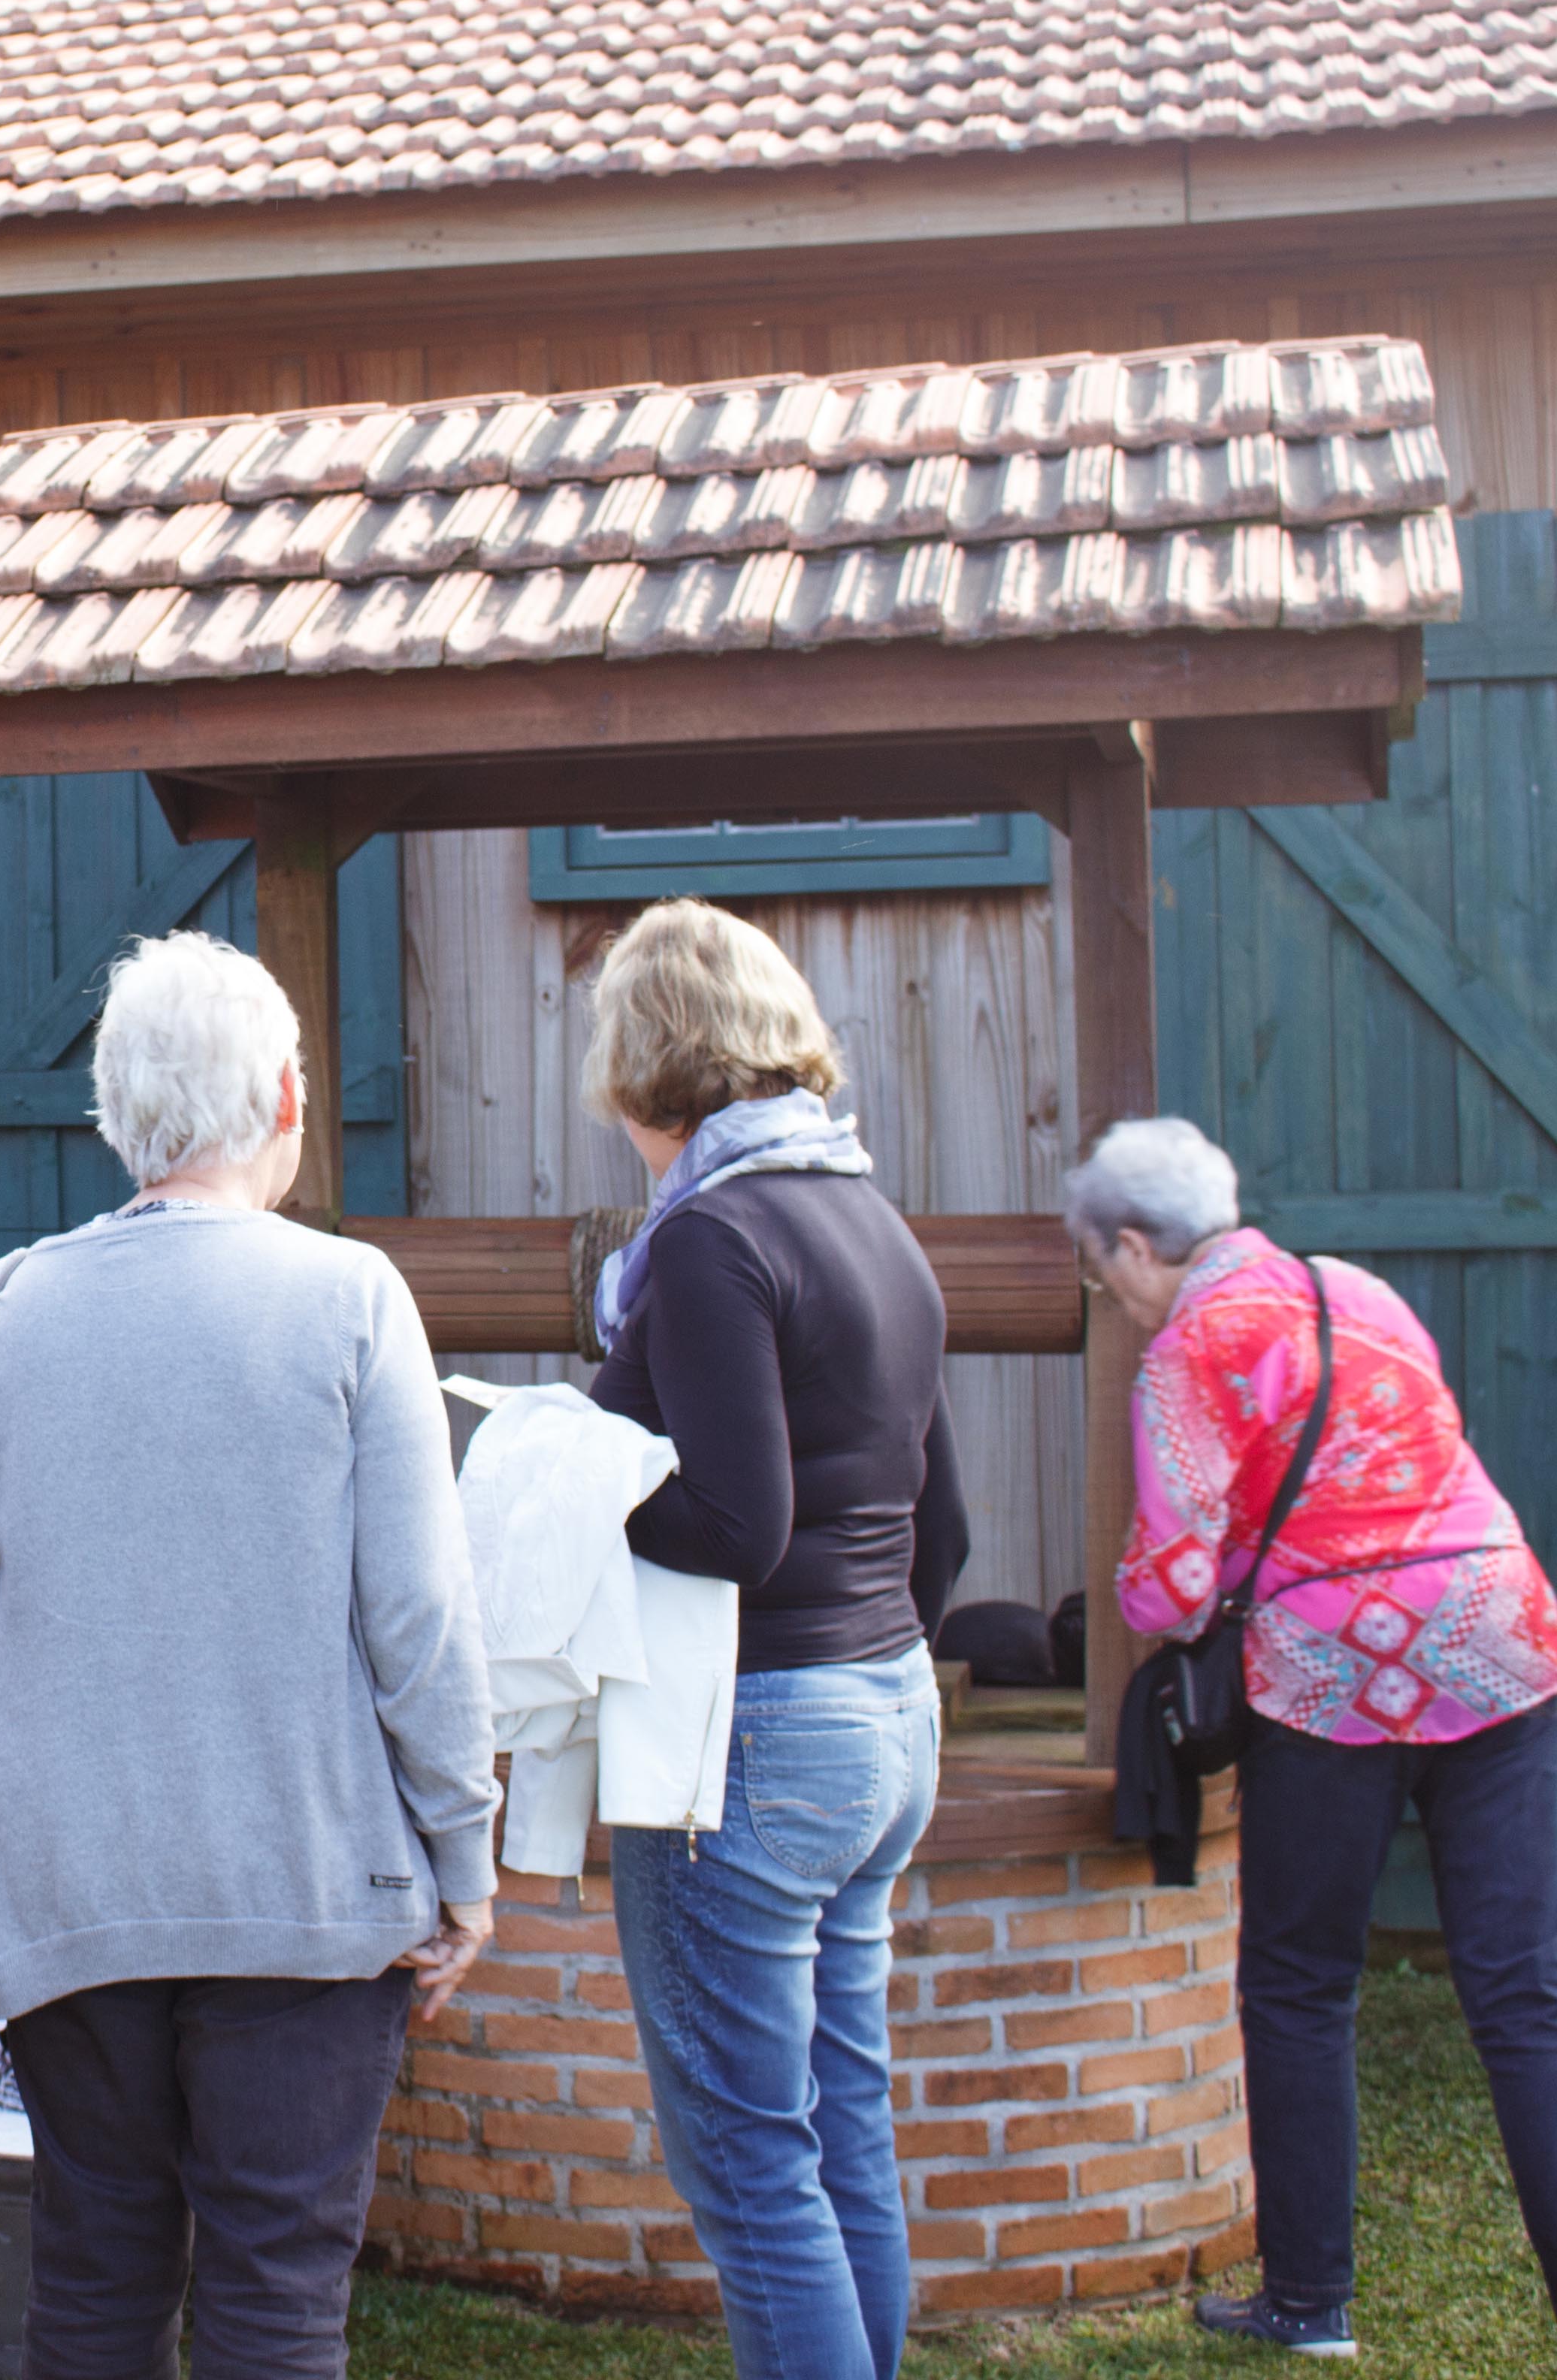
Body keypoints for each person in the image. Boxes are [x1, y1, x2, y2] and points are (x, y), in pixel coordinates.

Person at [0, 929, 496, 2380]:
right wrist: (464, 1854)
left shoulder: (3, 1307)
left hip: (67, 1880)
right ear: (287, 1101)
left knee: (94, 2275)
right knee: (276, 2292)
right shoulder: (352, 1300)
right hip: (299, 1875)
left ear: (114, 1112)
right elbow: (416, 1619)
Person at [1074, 1116, 1557, 2380]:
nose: (1106, 1297)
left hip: (1333, 1677)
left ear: (1129, 1245)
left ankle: (1310, 2302)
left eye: (1099, 1271)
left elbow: (1166, 1590)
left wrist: (1140, 1589)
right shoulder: (1363, 1293)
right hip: (1497, 1638)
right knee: (1522, 1982)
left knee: (1295, 1983)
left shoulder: (1186, 1350)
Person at [578, 898, 966, 2380]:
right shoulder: (874, 1218)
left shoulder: (711, 1243)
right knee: (839, 2134)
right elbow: (945, 1535)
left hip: (751, 1739)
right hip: (885, 1717)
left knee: (750, 2175)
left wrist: (575, 1491)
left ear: (647, 1059)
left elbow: (737, 1526)